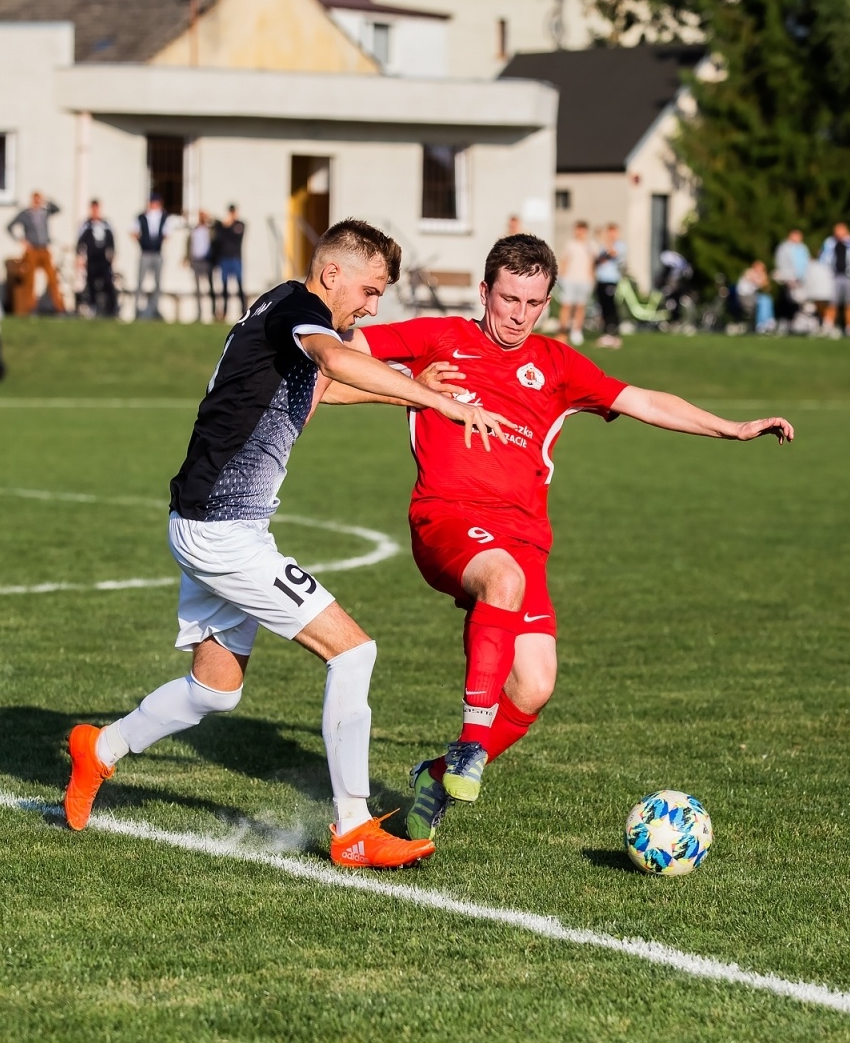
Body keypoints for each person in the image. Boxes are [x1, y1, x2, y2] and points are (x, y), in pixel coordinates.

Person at [61, 219, 510, 869]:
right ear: (332, 273)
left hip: (212, 523)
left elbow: (322, 384)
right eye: (370, 289)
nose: (372, 306)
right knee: (353, 652)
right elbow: (335, 361)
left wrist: (412, 395)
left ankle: (98, 749)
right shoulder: (300, 310)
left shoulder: (282, 312)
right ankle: (354, 827)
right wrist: (436, 402)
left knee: (214, 690)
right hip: (221, 530)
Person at [323, 234, 794, 844]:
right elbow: (331, 362)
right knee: (501, 579)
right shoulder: (438, 337)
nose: (519, 315)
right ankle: (469, 745)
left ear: (547, 302)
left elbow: (643, 400)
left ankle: (436, 779)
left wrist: (731, 428)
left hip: (524, 537)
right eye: (508, 299)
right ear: (485, 291)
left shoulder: (557, 364)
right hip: (447, 517)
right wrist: (406, 387)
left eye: (533, 303)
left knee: (535, 684)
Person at [7, 191, 63, 315]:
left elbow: (58, 209)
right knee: (30, 280)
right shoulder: (25, 214)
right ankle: (30, 307)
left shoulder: (44, 212)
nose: (37, 202)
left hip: (44, 249)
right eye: (35, 199)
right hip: (32, 250)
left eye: (39, 199)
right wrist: (21, 241)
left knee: (52, 278)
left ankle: (59, 307)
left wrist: (47, 200)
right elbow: (9, 227)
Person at [555, 220, 595, 346]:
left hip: (584, 280)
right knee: (566, 305)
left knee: (580, 306)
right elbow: (564, 260)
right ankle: (562, 331)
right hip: (570, 279)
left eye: (581, 230)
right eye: (577, 229)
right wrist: (560, 276)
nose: (579, 232)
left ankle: (576, 331)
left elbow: (592, 263)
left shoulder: (590, 245)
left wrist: (591, 278)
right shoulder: (570, 244)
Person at [77, 200, 117, 317]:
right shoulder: (87, 224)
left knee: (108, 282)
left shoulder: (106, 224)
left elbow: (111, 241)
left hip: (103, 259)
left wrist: (112, 254)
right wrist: (80, 257)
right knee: (91, 282)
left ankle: (111, 309)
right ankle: (93, 306)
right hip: (92, 258)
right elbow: (80, 242)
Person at [132, 194, 168, 320]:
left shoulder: (164, 217)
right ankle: (137, 308)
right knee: (140, 281)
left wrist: (157, 243)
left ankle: (155, 308)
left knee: (158, 282)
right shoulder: (142, 217)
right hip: (145, 252)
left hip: (157, 253)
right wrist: (143, 243)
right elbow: (134, 232)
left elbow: (166, 234)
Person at [819, 222, 850, 334]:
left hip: (848, 276)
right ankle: (828, 325)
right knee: (832, 302)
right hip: (833, 276)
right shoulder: (829, 242)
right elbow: (822, 257)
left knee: (849, 303)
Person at [213, 204, 247, 321]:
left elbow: (235, 236)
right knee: (224, 286)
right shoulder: (222, 226)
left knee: (240, 285)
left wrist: (228, 226)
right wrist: (225, 225)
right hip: (225, 258)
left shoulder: (240, 224)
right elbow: (219, 238)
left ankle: (244, 310)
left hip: (235, 258)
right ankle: (224, 312)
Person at [593, 223, 625, 348]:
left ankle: (614, 332)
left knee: (611, 306)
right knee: (603, 307)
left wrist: (604, 240)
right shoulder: (602, 246)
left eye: (613, 232)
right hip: (601, 280)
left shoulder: (620, 245)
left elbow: (612, 253)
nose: (611, 235)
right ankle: (606, 332)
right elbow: (597, 260)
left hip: (611, 280)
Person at [773, 229, 810, 323]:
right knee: (788, 299)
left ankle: (796, 320)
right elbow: (781, 262)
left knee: (799, 300)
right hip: (789, 277)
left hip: (801, 278)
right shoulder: (784, 247)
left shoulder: (802, 247)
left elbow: (806, 262)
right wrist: (786, 276)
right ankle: (785, 319)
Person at [187, 211, 216, 323]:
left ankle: (213, 312)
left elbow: (217, 223)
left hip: (207, 261)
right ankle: (199, 313)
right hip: (196, 261)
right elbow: (189, 245)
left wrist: (208, 216)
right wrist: (187, 258)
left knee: (210, 287)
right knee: (197, 289)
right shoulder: (194, 231)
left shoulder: (210, 230)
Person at [736, 261, 774, 332]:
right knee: (764, 300)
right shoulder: (749, 272)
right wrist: (764, 277)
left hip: (751, 297)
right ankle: (762, 323)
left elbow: (767, 288)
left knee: (766, 299)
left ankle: (767, 321)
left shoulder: (757, 275)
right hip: (745, 298)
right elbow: (758, 281)